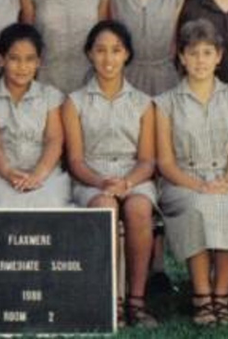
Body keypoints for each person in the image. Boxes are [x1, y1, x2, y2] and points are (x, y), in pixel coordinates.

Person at [62, 21, 158, 327]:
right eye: (100, 50)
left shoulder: (143, 103)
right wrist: (102, 183)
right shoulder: (74, 102)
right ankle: (111, 298)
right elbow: (75, 160)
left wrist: (127, 182)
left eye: (116, 50)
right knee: (105, 206)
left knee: (139, 208)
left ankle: (137, 300)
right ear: (89, 54)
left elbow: (147, 160)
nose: (108, 59)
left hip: (133, 176)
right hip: (91, 178)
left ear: (127, 54)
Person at [155, 20, 228, 326]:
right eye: (193, 53)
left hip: (224, 178)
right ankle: (201, 295)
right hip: (182, 180)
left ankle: (221, 294)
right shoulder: (165, 103)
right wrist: (197, 185)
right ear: (182, 57)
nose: (200, 60)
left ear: (218, 56)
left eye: (207, 53)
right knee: (198, 207)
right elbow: (165, 163)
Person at [0, 23, 71, 207]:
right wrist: (8, 172)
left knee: (50, 203)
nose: (22, 67)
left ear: (38, 62)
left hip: (44, 172)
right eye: (14, 59)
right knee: (2, 204)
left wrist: (38, 174)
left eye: (29, 59)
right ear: (1, 60)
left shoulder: (51, 96)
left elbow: (54, 140)